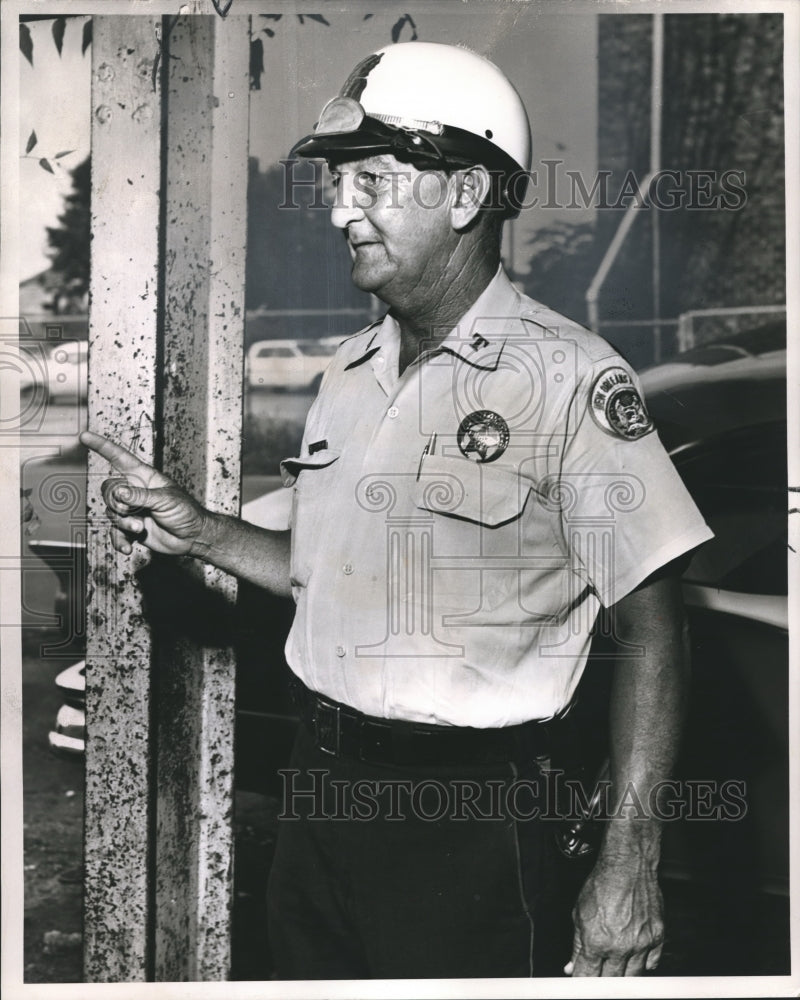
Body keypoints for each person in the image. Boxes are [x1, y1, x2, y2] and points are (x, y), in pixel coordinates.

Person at [81, 41, 713, 979]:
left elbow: (656, 633)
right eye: (341, 183)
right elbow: (322, 573)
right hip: (320, 789)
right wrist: (202, 531)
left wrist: (631, 857)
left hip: (473, 821)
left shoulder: (570, 380)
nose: (341, 210)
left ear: (465, 196)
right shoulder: (349, 370)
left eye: (373, 179)